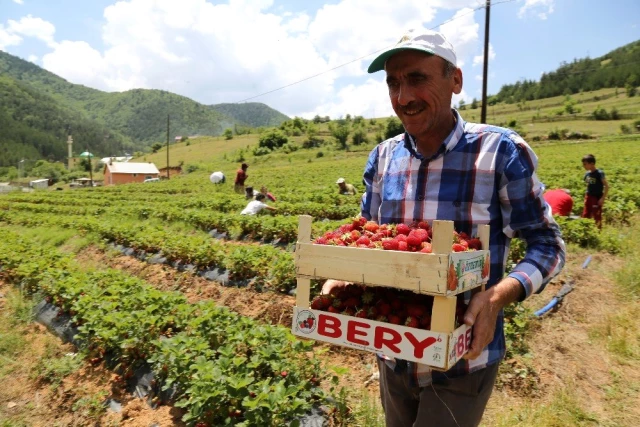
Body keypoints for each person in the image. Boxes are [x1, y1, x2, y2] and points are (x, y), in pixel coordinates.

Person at [324, 29, 565, 427]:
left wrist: (496, 298)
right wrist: (342, 275)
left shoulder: (500, 152)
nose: (403, 97)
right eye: (393, 82)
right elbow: (367, 239)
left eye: (417, 78)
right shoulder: (382, 158)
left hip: (463, 358)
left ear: (455, 80)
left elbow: (548, 245)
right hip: (393, 347)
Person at [581, 154, 608, 229]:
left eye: (585, 164)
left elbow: (607, 186)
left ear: (592, 164)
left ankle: (598, 232)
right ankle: (585, 230)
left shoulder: (599, 173)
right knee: (585, 215)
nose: (584, 166)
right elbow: (588, 185)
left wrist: (602, 198)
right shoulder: (587, 174)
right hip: (589, 196)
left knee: (597, 216)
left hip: (596, 197)